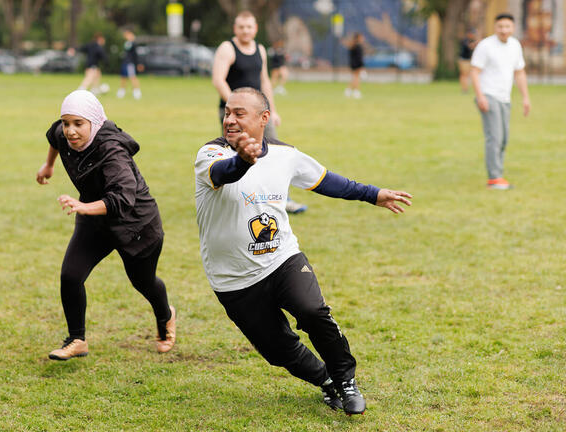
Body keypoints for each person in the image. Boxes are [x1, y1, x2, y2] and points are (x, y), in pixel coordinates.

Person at [194, 87, 412, 415]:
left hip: (282, 259)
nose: (230, 119)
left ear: (264, 118)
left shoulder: (285, 154)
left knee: (313, 312)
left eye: (240, 113)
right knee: (277, 349)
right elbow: (224, 174)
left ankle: (346, 380)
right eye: (227, 112)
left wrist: (373, 194)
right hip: (232, 277)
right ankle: (326, 382)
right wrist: (242, 159)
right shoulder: (211, 154)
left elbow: (326, 180)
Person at [37, 90, 176, 360]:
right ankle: (77, 339)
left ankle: (166, 318)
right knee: (71, 276)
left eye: (78, 124)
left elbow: (123, 198)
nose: (70, 131)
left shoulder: (112, 151)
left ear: (94, 122)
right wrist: (48, 165)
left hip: (135, 224)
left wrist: (83, 207)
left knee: (143, 282)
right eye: (67, 123)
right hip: (94, 220)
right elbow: (53, 136)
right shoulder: (62, 132)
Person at [212, 10, 307, 214]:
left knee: (273, 151)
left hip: (259, 113)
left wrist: (272, 110)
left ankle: (282, 198)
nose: (245, 31)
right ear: (235, 29)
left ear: (255, 28)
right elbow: (218, 79)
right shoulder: (227, 49)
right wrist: (235, 110)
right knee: (238, 154)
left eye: (249, 27)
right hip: (235, 116)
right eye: (241, 27)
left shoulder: (260, 49)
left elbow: (264, 81)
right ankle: (234, 200)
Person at [470, 13, 530, 190]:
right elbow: (474, 72)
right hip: (488, 95)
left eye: (507, 26)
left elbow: (519, 73)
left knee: (503, 139)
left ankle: (498, 176)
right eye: (500, 26)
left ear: (513, 28)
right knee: (494, 137)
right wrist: (480, 96)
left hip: (505, 98)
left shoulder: (515, 45)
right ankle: (494, 179)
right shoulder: (486, 46)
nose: (504, 30)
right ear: (495, 27)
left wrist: (525, 97)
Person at [117, 29, 142, 100]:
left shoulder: (133, 43)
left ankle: (137, 92)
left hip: (130, 63)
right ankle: (121, 91)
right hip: (125, 62)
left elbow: (136, 55)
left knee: (132, 77)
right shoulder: (127, 43)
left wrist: (138, 64)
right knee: (123, 77)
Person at [344, 33, 365, 99]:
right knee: (356, 78)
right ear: (358, 38)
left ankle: (349, 90)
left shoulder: (353, 46)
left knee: (354, 78)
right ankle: (356, 91)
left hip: (353, 64)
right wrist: (361, 66)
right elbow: (359, 58)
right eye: (361, 37)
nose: (363, 39)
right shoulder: (358, 47)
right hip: (357, 64)